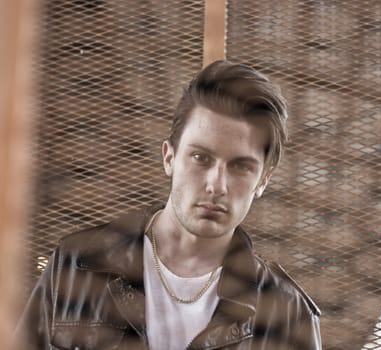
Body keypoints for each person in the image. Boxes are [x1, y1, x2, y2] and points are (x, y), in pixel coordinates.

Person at [17, 60, 322, 349]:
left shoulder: (288, 315)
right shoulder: (75, 266)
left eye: (240, 167)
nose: (216, 185)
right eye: (201, 158)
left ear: (263, 181)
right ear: (169, 157)